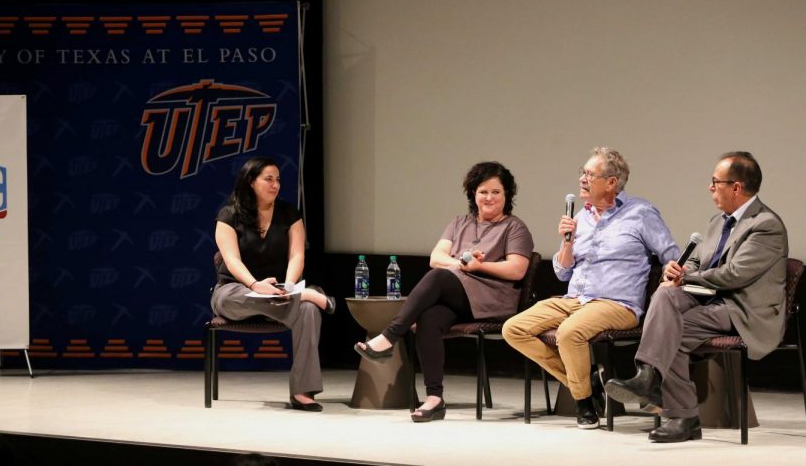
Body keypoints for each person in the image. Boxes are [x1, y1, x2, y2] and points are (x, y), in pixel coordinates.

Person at [606, 151, 788, 443]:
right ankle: (647, 376)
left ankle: (682, 416)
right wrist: (679, 270)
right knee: (665, 297)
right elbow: (698, 263)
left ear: (736, 187)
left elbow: (735, 275)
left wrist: (687, 278)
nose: (710, 187)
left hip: (742, 308)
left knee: (671, 332)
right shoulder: (718, 221)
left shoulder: (766, 225)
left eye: (715, 181)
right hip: (709, 298)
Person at [502, 147, 680, 429]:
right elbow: (562, 273)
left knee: (569, 333)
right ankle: (587, 383)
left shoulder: (640, 213)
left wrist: (673, 275)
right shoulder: (580, 218)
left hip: (617, 304)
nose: (582, 179)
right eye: (582, 173)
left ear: (612, 182)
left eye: (590, 174)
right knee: (513, 329)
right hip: (574, 298)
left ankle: (584, 404)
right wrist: (567, 242)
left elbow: (671, 254)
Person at [355, 161, 534, 422]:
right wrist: (464, 264)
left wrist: (479, 266)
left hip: (493, 299)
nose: (489, 198)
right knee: (429, 318)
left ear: (507, 195)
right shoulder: (460, 222)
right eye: (483, 191)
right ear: (473, 193)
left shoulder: (515, 227)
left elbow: (517, 269)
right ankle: (435, 398)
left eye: (496, 192)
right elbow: (436, 257)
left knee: (438, 278)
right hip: (460, 295)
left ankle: (390, 336)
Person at [212, 157, 335, 412]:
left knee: (309, 311)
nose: (275, 185)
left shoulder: (289, 214)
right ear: (250, 181)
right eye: (268, 179)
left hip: (280, 292)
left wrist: (289, 287)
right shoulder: (228, 215)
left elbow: (297, 256)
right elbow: (232, 259)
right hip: (237, 291)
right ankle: (307, 296)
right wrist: (256, 285)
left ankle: (302, 391)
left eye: (278, 179)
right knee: (226, 299)